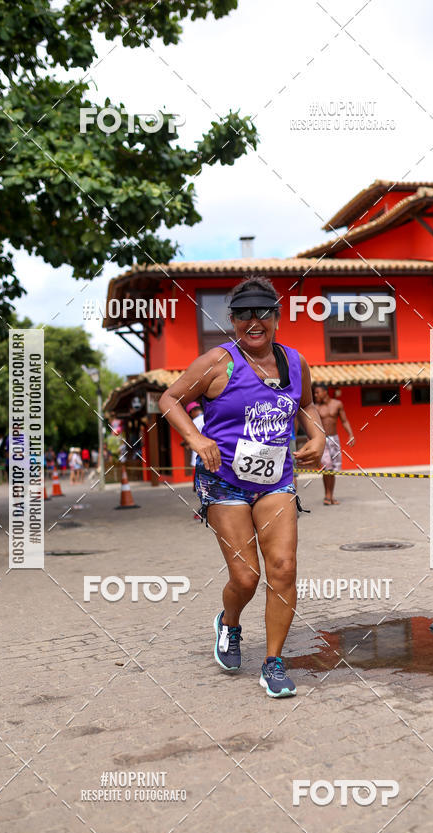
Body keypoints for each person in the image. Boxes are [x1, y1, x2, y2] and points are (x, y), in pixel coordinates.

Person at [159, 276, 325, 698]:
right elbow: (170, 399)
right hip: (224, 482)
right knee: (247, 577)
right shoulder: (218, 362)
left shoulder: (294, 363)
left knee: (284, 568)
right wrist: (196, 439)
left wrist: (318, 437)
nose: (254, 322)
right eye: (244, 314)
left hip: (276, 482)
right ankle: (230, 622)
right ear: (232, 320)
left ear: (276, 317)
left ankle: (273, 663)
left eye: (263, 313)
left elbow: (306, 406)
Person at [312, 383, 355, 506]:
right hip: (322, 440)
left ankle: (331, 495)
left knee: (334, 469)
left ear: (325, 392)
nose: (315, 395)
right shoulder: (315, 408)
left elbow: (344, 420)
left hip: (334, 440)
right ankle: (327, 495)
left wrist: (351, 434)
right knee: (326, 468)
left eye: (317, 392)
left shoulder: (337, 404)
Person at [185, 401, 204, 519]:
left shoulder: (195, 422)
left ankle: (204, 509)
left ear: (192, 412)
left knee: (200, 486)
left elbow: (189, 438)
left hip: (199, 459)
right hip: (212, 456)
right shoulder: (209, 417)